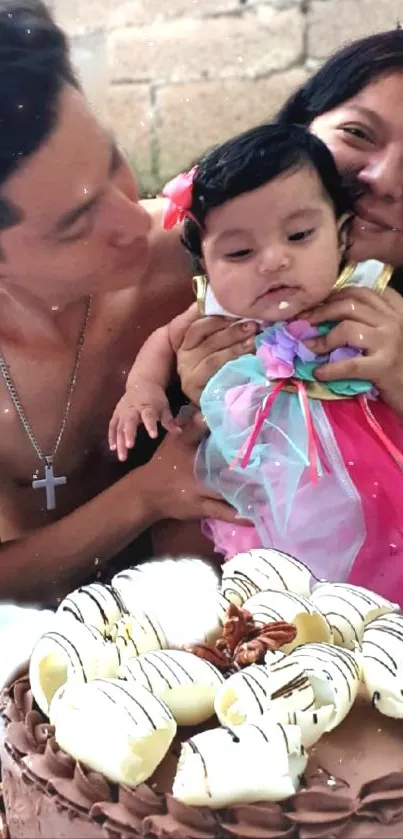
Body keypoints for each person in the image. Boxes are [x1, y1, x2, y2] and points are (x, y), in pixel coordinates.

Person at [0, 0, 246, 608]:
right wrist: (148, 494)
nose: (133, 221)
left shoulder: (201, 252)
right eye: (75, 224)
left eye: (113, 162)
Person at [108, 123, 403, 599]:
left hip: (364, 470)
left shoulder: (367, 296)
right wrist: (140, 390)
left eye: (300, 235)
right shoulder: (216, 313)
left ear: (342, 234)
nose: (272, 261)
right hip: (261, 475)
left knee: (379, 558)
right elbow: (164, 339)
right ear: (204, 264)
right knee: (253, 567)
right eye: (240, 252)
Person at [175, 30, 403, 420]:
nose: (383, 180)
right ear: (303, 125)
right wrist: (211, 400)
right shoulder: (194, 254)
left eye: (298, 236)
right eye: (358, 133)